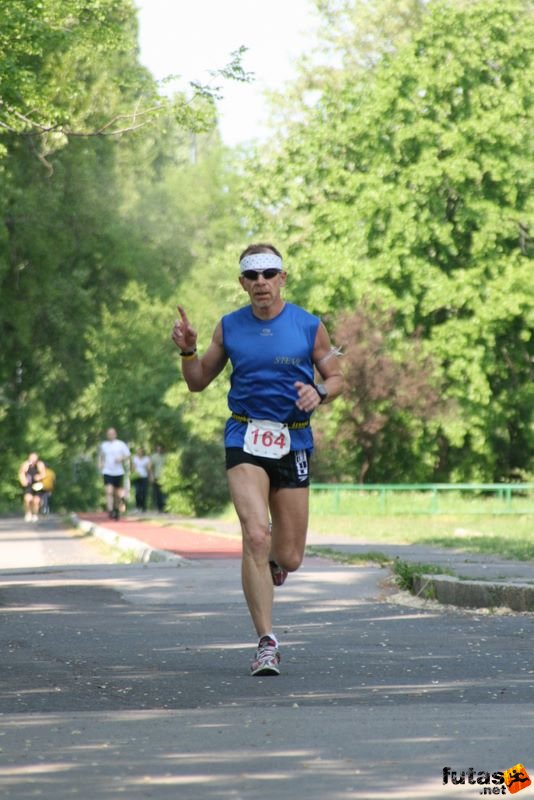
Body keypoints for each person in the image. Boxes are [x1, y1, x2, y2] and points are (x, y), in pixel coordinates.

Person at [171, 242, 343, 676]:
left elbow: (336, 376)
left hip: (294, 439)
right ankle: (266, 641)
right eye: (252, 275)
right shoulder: (229, 327)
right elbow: (196, 383)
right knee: (255, 534)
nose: (261, 282)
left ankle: (272, 569)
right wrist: (188, 351)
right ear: (242, 283)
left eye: (269, 273)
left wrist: (319, 392)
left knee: (289, 556)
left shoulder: (308, 325)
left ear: (282, 278)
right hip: (245, 434)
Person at [98, 428, 130, 520]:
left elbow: (127, 455)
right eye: (109, 434)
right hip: (107, 471)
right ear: (107, 435)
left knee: (117, 493)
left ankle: (116, 509)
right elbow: (101, 456)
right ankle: (110, 510)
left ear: (115, 434)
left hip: (118, 472)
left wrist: (121, 458)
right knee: (109, 491)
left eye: (112, 434)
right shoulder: (104, 445)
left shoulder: (120, 444)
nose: (110, 435)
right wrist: (100, 464)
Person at [18, 453, 46, 522]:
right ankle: (28, 513)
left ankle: (35, 514)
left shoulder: (40, 464)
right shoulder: (26, 464)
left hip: (37, 484)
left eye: (34, 458)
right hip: (29, 484)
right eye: (31, 458)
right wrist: (23, 480)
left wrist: (39, 477)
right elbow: (21, 473)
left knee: (36, 501)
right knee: (28, 499)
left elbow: (44, 473)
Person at [131, 447, 150, 512]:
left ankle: (144, 507)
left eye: (141, 451)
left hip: (144, 477)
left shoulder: (146, 458)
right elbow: (133, 468)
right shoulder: (135, 458)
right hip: (137, 477)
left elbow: (149, 468)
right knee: (137, 492)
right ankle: (138, 506)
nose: (140, 452)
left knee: (144, 492)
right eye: (138, 451)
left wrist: (148, 468)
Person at [149, 444, 166, 512]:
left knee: (164, 493)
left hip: (165, 477)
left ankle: (164, 507)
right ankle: (159, 508)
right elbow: (150, 467)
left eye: (160, 449)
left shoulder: (165, 456)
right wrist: (151, 476)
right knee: (157, 493)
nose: (159, 450)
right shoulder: (153, 457)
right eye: (158, 449)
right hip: (156, 477)